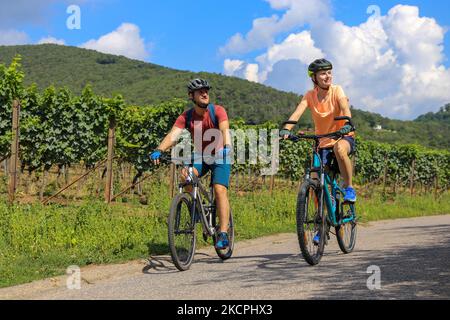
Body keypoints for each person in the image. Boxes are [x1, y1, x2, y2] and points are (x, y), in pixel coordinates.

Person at [150, 78, 232, 250]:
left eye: (206, 91)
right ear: (191, 96)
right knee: (186, 175)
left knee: (219, 189)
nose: (204, 93)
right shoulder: (186, 116)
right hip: (202, 156)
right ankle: (197, 209)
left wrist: (227, 146)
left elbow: (225, 129)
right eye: (200, 91)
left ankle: (223, 233)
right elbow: (173, 135)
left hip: (220, 155)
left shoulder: (217, 111)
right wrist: (160, 149)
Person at [280, 59, 356, 243]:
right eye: (323, 73)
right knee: (315, 180)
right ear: (314, 78)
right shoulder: (309, 95)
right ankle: (321, 224)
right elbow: (298, 112)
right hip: (322, 142)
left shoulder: (337, 90)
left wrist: (346, 123)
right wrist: (287, 129)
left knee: (339, 148)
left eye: (329, 72)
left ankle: (349, 188)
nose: (327, 76)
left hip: (342, 136)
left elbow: (345, 107)